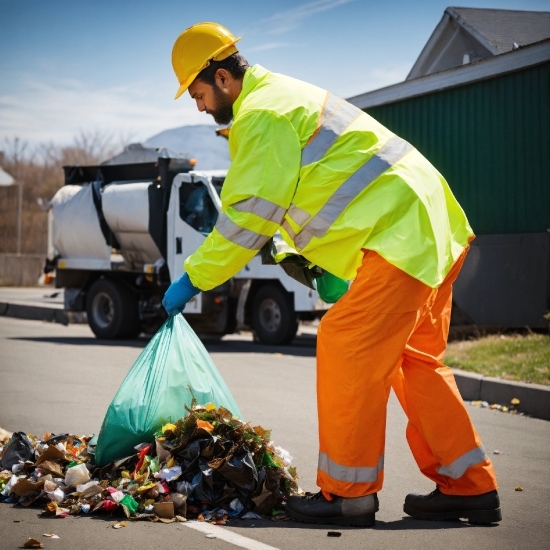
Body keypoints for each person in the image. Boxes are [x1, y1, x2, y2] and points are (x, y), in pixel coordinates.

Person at [163, 22, 501, 527]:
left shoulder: (262, 115)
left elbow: (247, 218)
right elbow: (292, 201)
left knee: (346, 345)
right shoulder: (283, 97)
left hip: (397, 235)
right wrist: (313, 262)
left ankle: (348, 494)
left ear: (222, 77)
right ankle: (471, 487)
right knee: (414, 361)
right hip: (431, 221)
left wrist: (194, 277)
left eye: (199, 92)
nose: (199, 106)